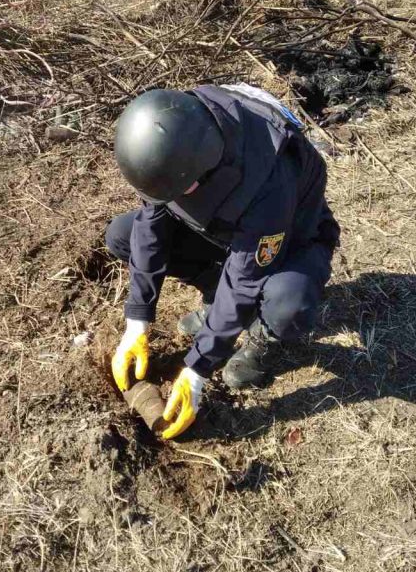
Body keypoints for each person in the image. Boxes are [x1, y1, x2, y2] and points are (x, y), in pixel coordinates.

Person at [106, 85, 340, 439]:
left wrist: (198, 369)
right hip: (227, 231)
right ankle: (217, 297)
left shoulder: (268, 179)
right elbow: (149, 230)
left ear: (200, 167)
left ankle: (262, 336)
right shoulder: (176, 129)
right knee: (123, 234)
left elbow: (246, 275)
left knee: (289, 299)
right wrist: (137, 320)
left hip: (290, 241)